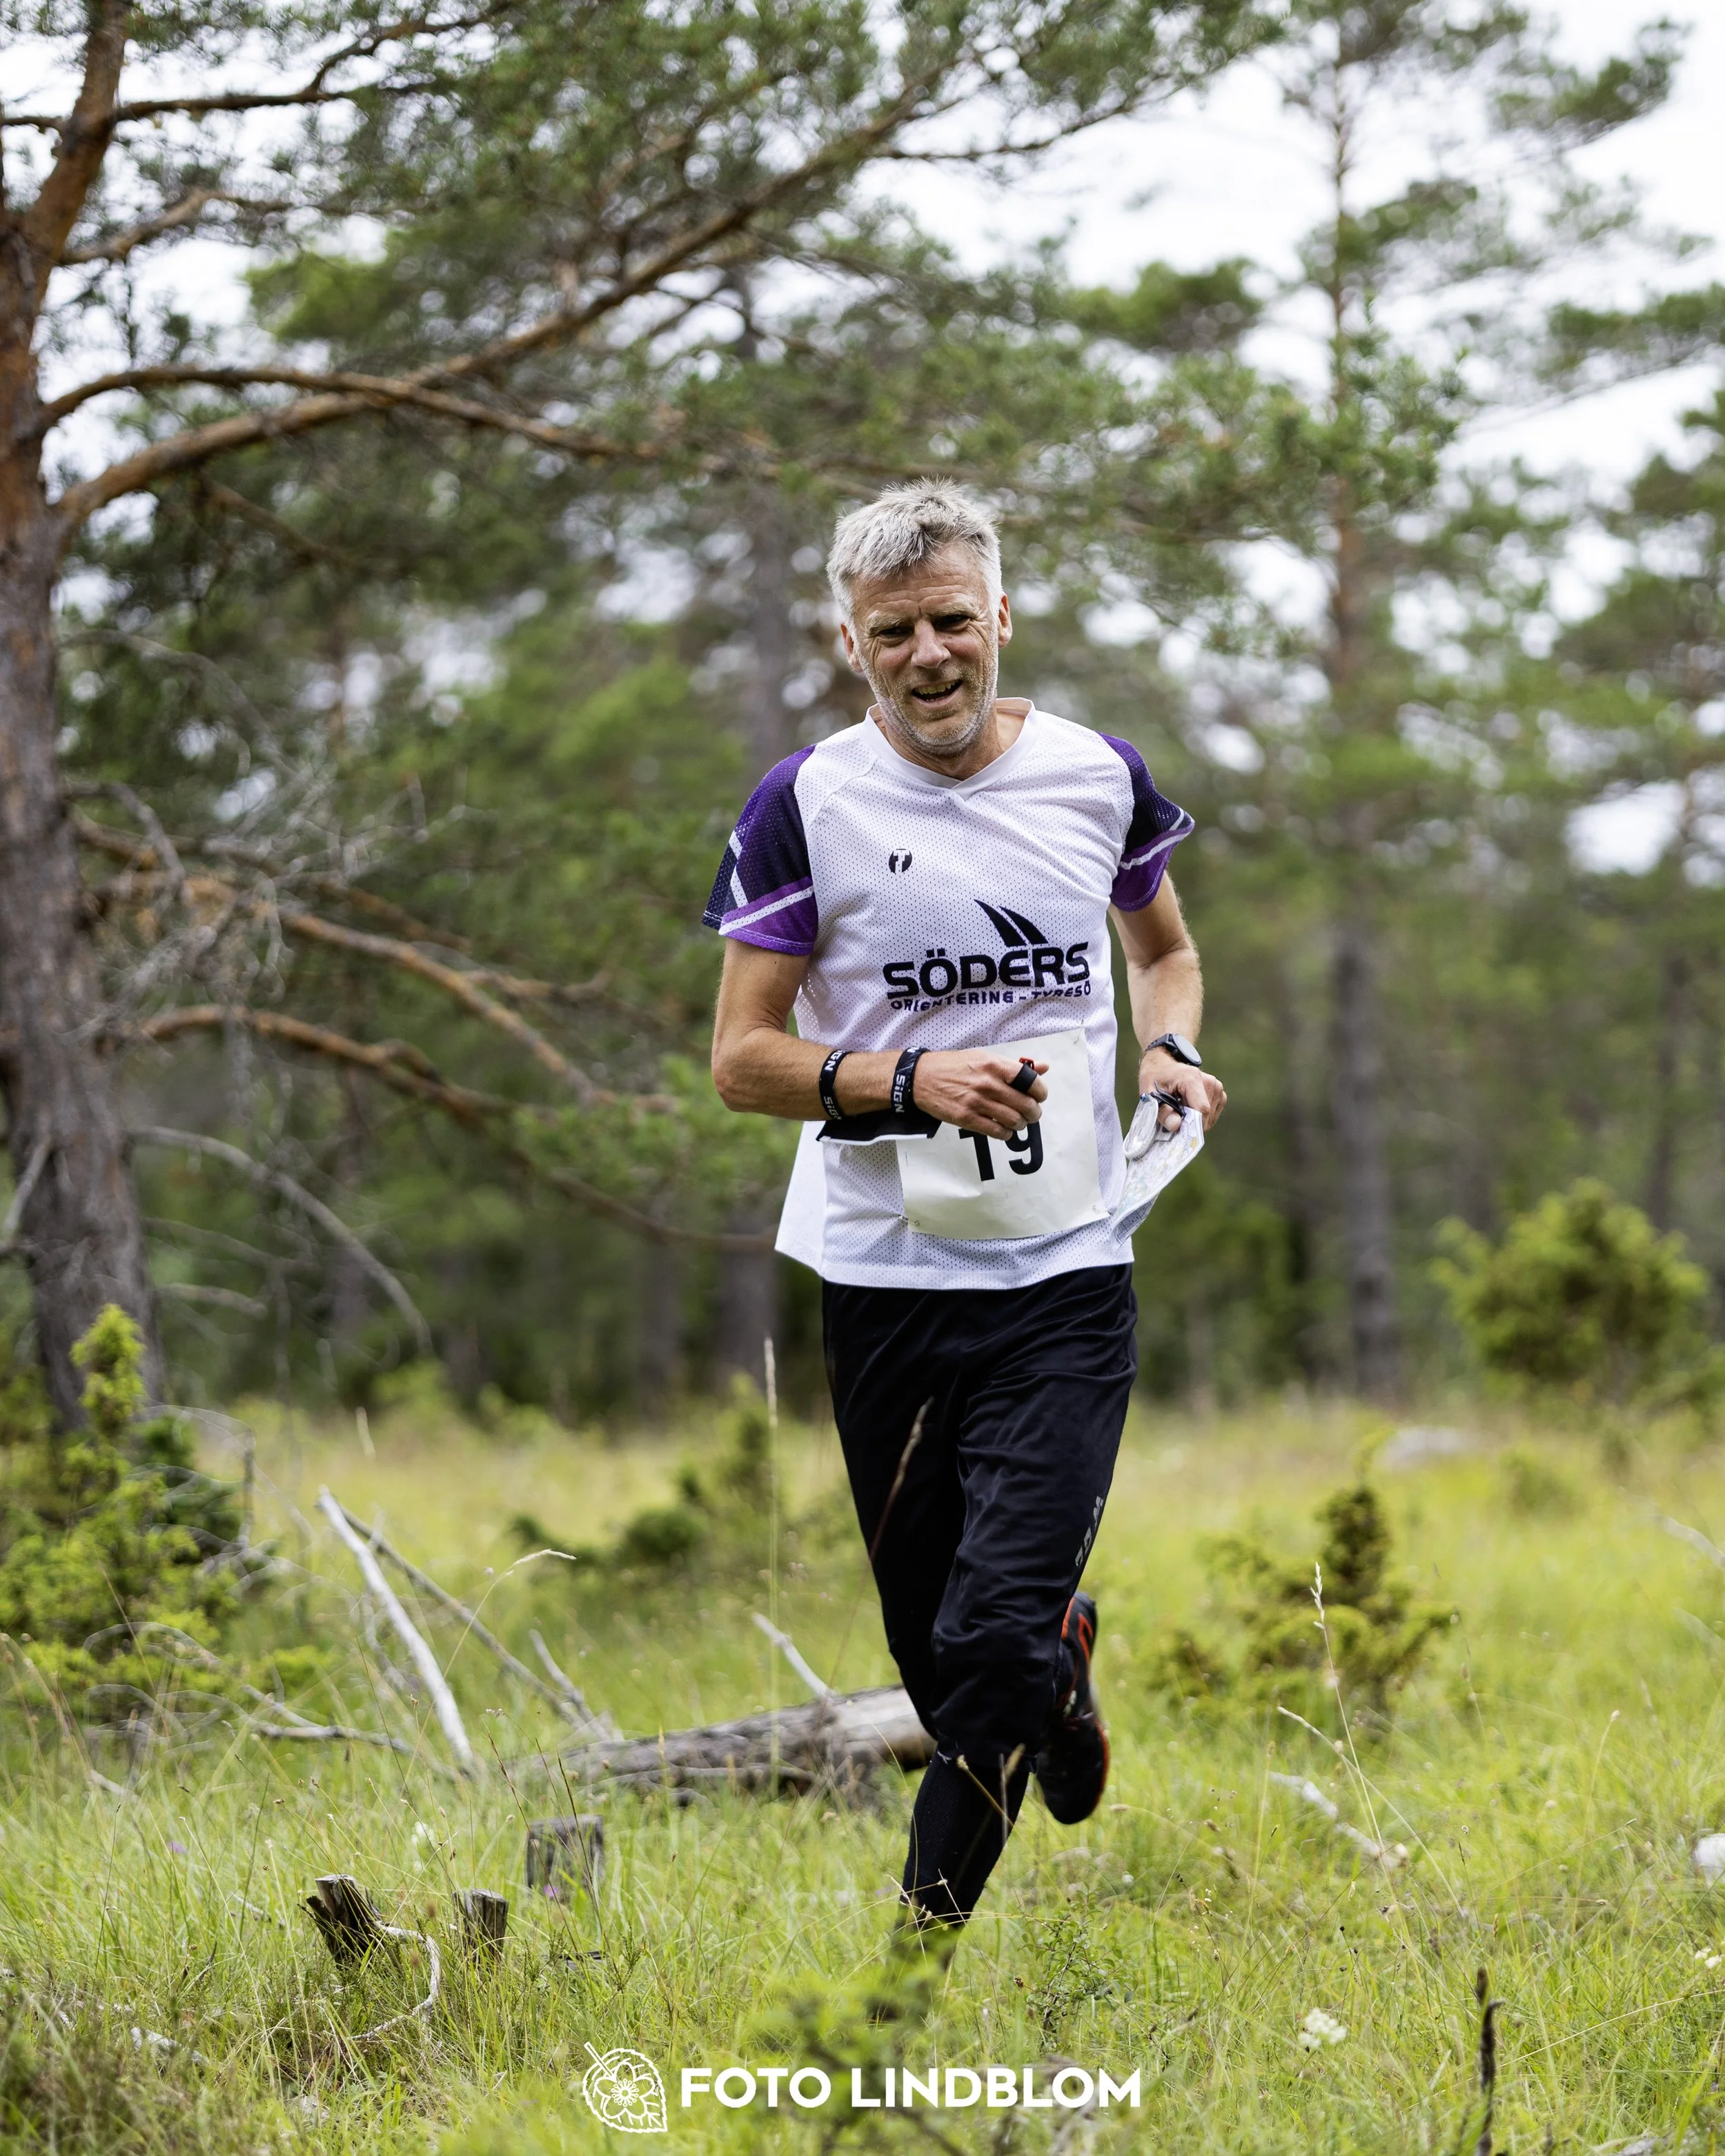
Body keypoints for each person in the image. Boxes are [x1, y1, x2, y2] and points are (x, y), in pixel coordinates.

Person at [706, 482, 1226, 1930]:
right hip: (882, 1274)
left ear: (998, 617)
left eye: (951, 621)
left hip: (1064, 1270)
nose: (928, 655)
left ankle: (895, 1986)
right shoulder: (801, 804)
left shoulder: (1090, 773)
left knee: (979, 1648)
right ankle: (1057, 1665)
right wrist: (904, 1081)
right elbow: (742, 1063)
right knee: (947, 1667)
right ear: (849, 641)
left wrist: (1167, 1044)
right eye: (893, 633)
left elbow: (1163, 953)